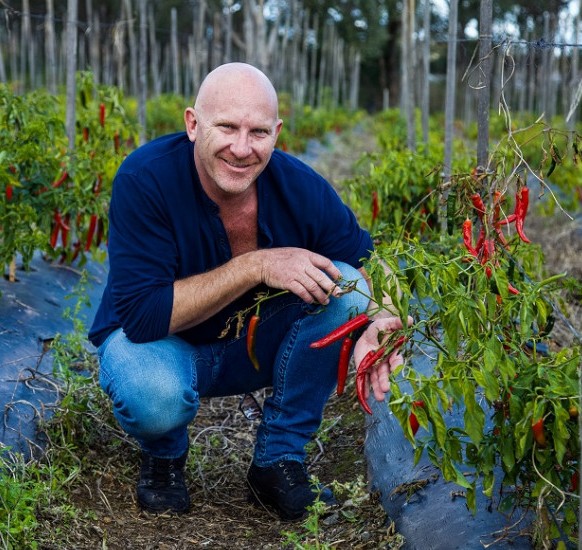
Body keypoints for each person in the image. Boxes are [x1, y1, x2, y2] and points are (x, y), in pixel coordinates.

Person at [87, 62, 407, 521]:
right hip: (159, 345)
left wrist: (383, 320)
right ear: (193, 125)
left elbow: (368, 263)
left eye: (258, 132)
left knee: (352, 289)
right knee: (154, 395)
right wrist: (257, 265)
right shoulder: (145, 180)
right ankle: (164, 455)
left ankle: (278, 460)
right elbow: (142, 316)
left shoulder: (299, 186)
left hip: (248, 349)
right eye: (227, 127)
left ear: (277, 132)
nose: (242, 148)